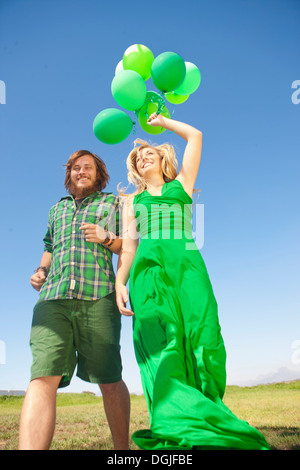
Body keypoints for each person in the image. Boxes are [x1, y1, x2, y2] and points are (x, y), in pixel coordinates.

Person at [115, 114, 270, 450]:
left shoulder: (181, 184)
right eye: (137, 158)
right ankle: (174, 416)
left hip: (188, 267)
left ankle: (207, 406)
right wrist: (119, 282)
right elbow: (129, 246)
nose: (142, 158)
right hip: (148, 273)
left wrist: (162, 121)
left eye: (149, 154)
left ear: (162, 159)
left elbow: (196, 135)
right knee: (161, 342)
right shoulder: (131, 201)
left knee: (204, 334)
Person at [19, 150, 130, 450]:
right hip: (52, 299)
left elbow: (129, 246)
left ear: (99, 174)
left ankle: (122, 452)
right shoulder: (56, 209)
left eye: (88, 168)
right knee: (42, 375)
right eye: (76, 168)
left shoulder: (113, 203)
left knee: (110, 378)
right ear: (69, 175)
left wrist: (107, 238)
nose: (82, 172)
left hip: (99, 297)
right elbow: (49, 247)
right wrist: (41, 270)